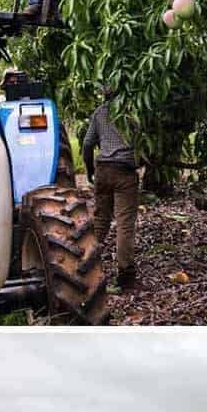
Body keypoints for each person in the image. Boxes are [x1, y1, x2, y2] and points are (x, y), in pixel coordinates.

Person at [82, 87, 139, 289]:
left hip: (103, 170)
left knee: (101, 220)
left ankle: (84, 266)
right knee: (125, 224)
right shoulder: (132, 111)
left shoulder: (100, 112)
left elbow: (88, 144)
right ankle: (126, 275)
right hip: (124, 171)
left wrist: (89, 170)